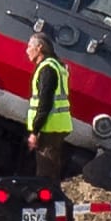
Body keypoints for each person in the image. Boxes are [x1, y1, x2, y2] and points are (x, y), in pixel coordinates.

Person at [25, 32, 71, 179]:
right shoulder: (56, 65)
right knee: (51, 169)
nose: (27, 50)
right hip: (56, 126)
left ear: (39, 48)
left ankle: (45, 200)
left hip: (49, 127)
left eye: (29, 46)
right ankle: (50, 198)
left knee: (45, 174)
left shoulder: (48, 69)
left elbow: (45, 102)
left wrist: (35, 131)